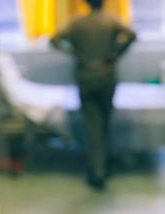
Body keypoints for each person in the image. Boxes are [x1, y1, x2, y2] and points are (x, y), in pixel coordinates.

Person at [50, 0, 136, 189]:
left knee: (93, 125)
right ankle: (102, 166)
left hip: (86, 77)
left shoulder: (77, 23)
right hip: (106, 76)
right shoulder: (111, 20)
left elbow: (54, 40)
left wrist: (74, 53)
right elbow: (131, 35)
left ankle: (97, 170)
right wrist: (115, 54)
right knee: (104, 122)